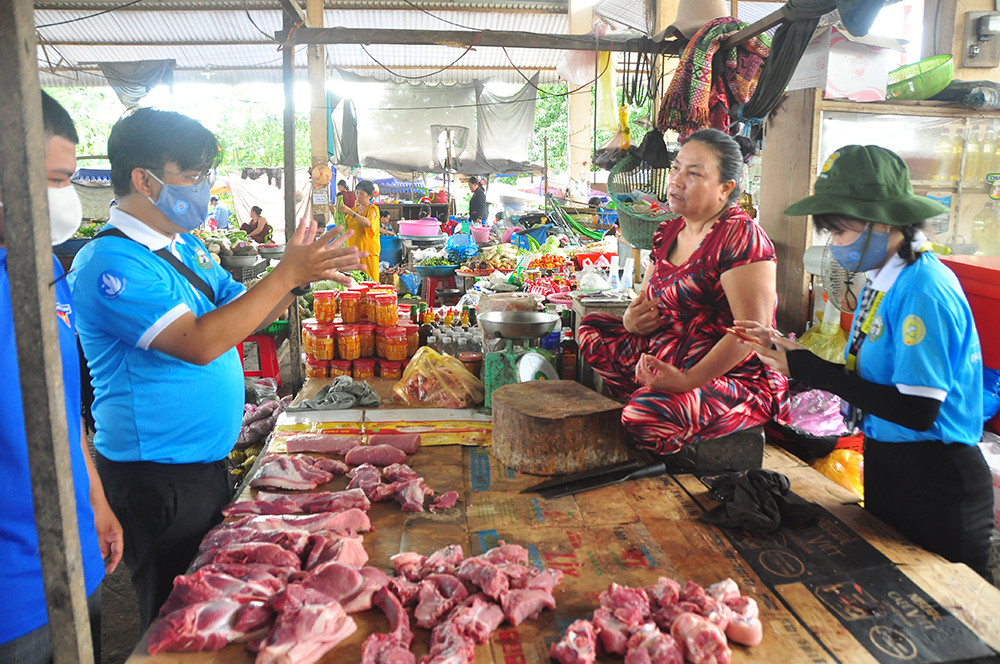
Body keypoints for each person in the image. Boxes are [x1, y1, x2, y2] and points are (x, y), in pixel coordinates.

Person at [68, 107, 364, 629]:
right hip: (155, 477)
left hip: (203, 465)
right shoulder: (110, 263)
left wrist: (295, 278)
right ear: (144, 180)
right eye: (193, 174)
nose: (204, 187)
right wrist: (284, 274)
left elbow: (243, 315)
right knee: (175, 617)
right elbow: (200, 342)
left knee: (214, 601)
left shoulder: (185, 246)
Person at [733, 145, 994, 582]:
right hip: (893, 468)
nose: (835, 244)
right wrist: (798, 356)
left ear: (885, 221)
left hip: (937, 482)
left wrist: (812, 372)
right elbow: (870, 378)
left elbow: (917, 410)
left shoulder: (922, 289)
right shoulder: (884, 281)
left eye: (840, 232)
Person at [0, 91, 123, 664]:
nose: (64, 198)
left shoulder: (44, 266)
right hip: (12, 597)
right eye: (52, 180)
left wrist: (94, 498)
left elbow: (62, 403)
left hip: (76, 561)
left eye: (66, 180)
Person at [578, 128, 788, 455]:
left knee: (644, 416)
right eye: (676, 168)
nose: (676, 180)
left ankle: (662, 413)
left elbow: (751, 335)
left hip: (731, 377)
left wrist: (688, 380)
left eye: (694, 173)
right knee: (592, 331)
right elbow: (645, 299)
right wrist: (632, 319)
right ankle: (655, 399)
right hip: (669, 355)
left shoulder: (740, 235)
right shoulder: (669, 229)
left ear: (725, 188)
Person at [338, 179, 381, 281]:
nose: (358, 196)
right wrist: (336, 212)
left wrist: (350, 212)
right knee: (356, 281)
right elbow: (343, 225)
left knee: (370, 280)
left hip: (367, 252)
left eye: (362, 194)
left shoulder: (373, 209)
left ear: (370, 196)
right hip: (353, 252)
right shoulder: (354, 210)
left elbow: (368, 223)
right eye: (357, 193)